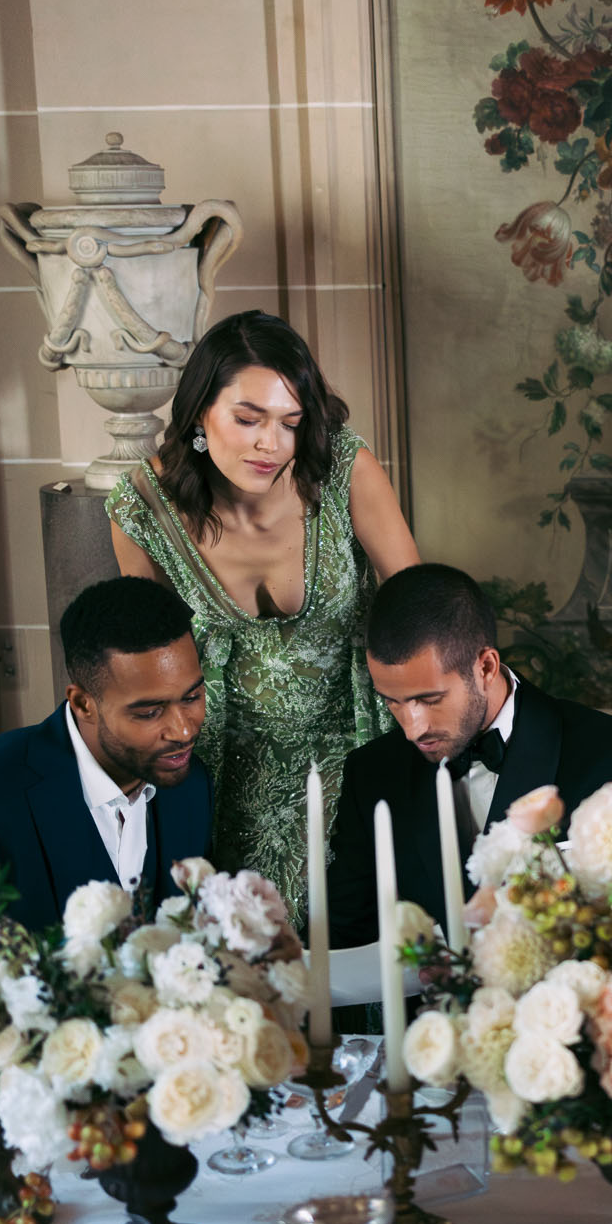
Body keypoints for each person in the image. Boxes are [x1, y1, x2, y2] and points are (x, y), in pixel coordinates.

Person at [108, 310, 418, 919]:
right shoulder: (143, 508)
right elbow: (144, 666)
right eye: (247, 419)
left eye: (290, 423)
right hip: (222, 774)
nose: (269, 444)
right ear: (199, 412)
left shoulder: (346, 471)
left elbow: (418, 612)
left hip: (355, 751)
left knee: (360, 952)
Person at [0, 578, 212, 1052]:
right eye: (149, 712)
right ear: (83, 703)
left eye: (192, 697)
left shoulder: (188, 785)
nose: (182, 729)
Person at [328, 563, 612, 945]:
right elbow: (343, 938)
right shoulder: (370, 774)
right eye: (392, 702)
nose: (413, 728)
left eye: (430, 700)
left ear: (486, 667)